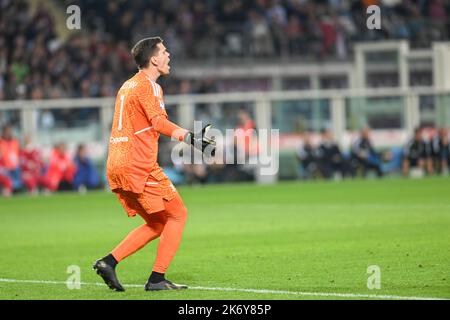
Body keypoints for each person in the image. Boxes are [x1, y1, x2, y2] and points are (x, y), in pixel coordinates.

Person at [93, 37, 215, 292]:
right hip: (138, 164)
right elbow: (158, 123)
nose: (169, 55)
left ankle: (108, 262)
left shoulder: (127, 86)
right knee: (179, 214)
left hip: (116, 162)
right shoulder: (150, 86)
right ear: (154, 59)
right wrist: (190, 137)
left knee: (158, 223)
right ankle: (157, 279)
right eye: (164, 51)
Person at [0, 125, 21, 190]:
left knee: (17, 185)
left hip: (15, 166)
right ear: (3, 132)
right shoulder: (1, 142)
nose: (8, 133)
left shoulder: (15, 142)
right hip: (4, 167)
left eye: (9, 131)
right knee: (7, 183)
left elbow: (18, 153)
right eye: (7, 131)